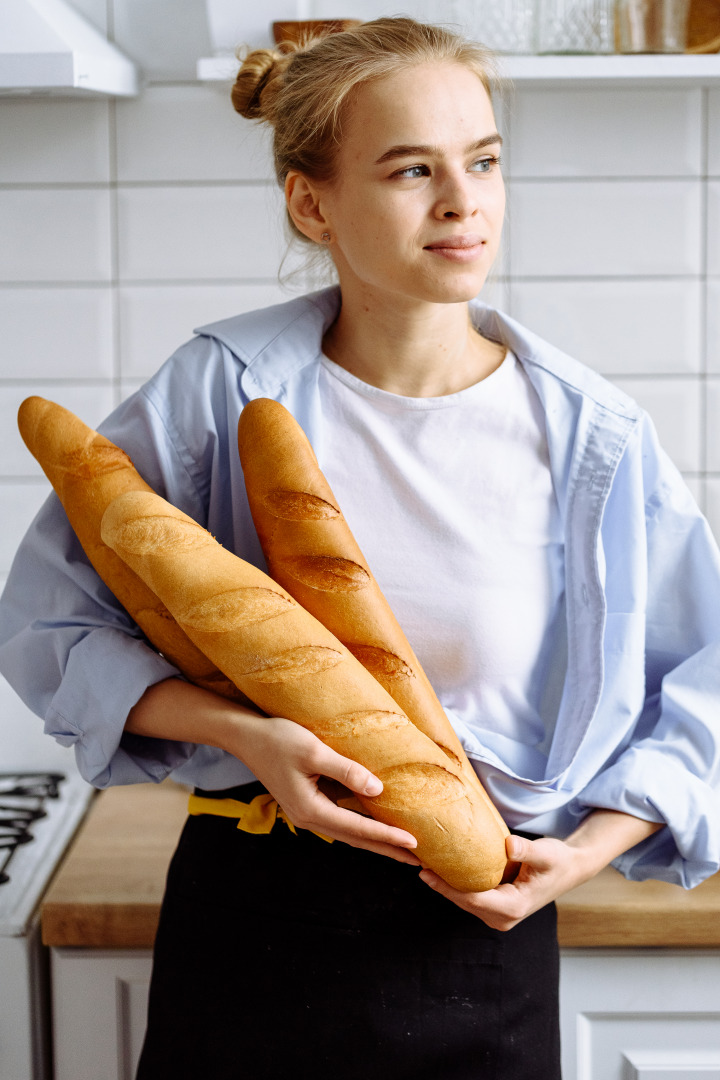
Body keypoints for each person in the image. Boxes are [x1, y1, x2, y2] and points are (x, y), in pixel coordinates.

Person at [1, 16, 719, 1080]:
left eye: (482, 161)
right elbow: (50, 628)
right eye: (409, 170)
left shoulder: (592, 440)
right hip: (254, 910)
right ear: (312, 201)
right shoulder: (220, 393)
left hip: (488, 915)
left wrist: (581, 853)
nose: (462, 201)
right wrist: (252, 738)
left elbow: (706, 680)